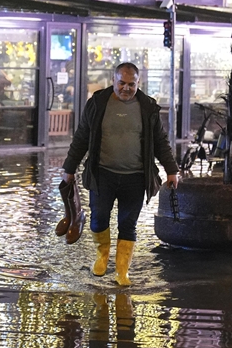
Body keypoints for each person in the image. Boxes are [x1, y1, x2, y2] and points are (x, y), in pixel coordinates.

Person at [61, 62, 179, 286]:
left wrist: (171, 170)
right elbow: (82, 137)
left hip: (135, 177)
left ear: (138, 83)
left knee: (128, 224)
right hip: (102, 174)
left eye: (131, 84)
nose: (126, 88)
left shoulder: (148, 107)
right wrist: (69, 168)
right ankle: (102, 257)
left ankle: (122, 271)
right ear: (113, 80)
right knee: (98, 219)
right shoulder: (97, 103)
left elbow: (160, 142)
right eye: (121, 83)